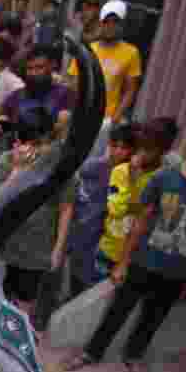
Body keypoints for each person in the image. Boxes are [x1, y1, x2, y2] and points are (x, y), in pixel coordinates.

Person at [61, 109, 186, 372]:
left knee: (155, 316)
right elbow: (141, 222)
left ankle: (134, 355)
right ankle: (92, 352)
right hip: (143, 262)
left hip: (181, 271)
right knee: (118, 311)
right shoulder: (166, 178)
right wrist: (125, 262)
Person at [0, 107, 76, 329]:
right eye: (32, 143)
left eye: (42, 143)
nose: (38, 151)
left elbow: (66, 208)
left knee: (25, 306)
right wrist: (18, 170)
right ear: (19, 140)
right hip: (4, 248)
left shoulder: (59, 168)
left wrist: (58, 249)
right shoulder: (6, 162)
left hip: (36, 250)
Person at [92, 119, 177, 284]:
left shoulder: (165, 178)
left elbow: (161, 217)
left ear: (164, 151)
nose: (141, 155)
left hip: (137, 256)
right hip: (109, 249)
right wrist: (132, 181)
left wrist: (138, 208)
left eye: (149, 150)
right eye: (140, 148)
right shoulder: (121, 171)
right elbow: (116, 210)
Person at [65, 123, 137, 297]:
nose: (118, 151)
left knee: (92, 288)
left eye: (124, 148)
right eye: (114, 146)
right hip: (81, 233)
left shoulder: (131, 176)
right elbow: (74, 196)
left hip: (107, 242)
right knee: (74, 279)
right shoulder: (92, 167)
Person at [68, 0, 142, 127]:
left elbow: (130, 90)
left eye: (115, 22)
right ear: (100, 24)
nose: (110, 26)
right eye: (106, 22)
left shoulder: (131, 53)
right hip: (82, 115)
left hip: (107, 120)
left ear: (123, 24)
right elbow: (74, 84)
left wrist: (116, 116)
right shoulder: (86, 50)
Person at [0, 45, 72, 133]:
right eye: (29, 68)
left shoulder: (66, 94)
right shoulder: (16, 96)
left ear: (53, 65)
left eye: (39, 67)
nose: (34, 73)